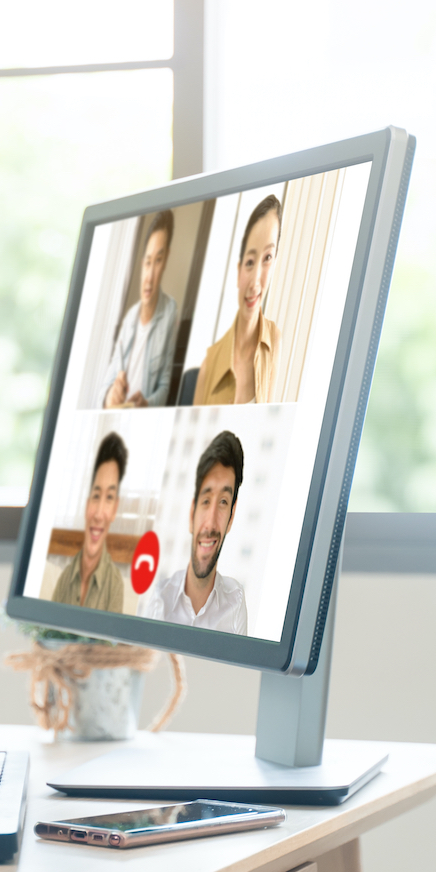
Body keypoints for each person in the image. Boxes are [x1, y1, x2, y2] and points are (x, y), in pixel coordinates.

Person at [138, 431, 248, 633]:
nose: (211, 523)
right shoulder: (160, 602)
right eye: (206, 501)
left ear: (231, 517)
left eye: (223, 502)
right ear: (191, 514)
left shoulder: (235, 602)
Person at [193, 195, 282, 405]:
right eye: (250, 262)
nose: (255, 283)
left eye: (267, 258)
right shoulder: (209, 366)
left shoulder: (273, 341)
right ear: (238, 270)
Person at [103, 209, 180, 408]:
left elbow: (164, 385)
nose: (149, 276)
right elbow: (109, 379)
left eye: (158, 261)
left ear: (166, 261)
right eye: (147, 262)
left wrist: (147, 403)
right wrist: (109, 396)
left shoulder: (170, 311)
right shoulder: (130, 318)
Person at [50, 432, 128, 612]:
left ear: (115, 509)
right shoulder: (65, 578)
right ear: (86, 505)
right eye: (96, 495)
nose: (99, 514)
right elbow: (47, 636)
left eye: (109, 497)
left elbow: (109, 641)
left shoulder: (115, 585)